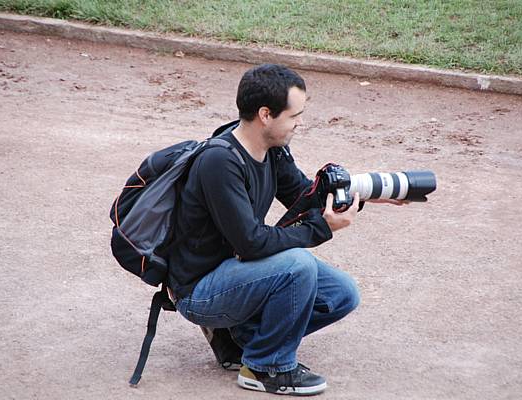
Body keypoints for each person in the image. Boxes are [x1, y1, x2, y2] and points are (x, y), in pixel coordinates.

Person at [167, 63, 403, 396]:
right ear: (266, 114)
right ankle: (266, 367)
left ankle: (239, 337)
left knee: (341, 294)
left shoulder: (271, 149)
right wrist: (321, 229)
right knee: (298, 265)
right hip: (200, 290)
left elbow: (302, 196)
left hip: (236, 273)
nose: (299, 123)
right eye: (294, 116)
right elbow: (251, 243)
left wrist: (364, 193)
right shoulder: (220, 162)